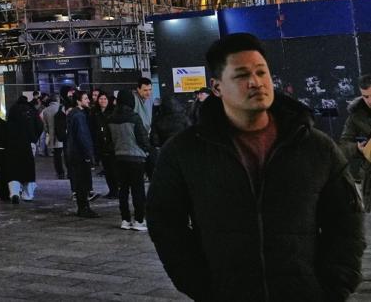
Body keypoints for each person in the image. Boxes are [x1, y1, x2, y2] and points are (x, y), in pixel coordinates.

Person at [148, 33, 365, 300]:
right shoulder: (185, 151)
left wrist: (335, 285)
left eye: (261, 72)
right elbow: (166, 222)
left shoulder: (314, 146)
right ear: (216, 87)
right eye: (241, 75)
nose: (256, 82)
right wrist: (200, 284)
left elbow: (346, 219)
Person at [107, 88, 149, 231]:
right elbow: (143, 139)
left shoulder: (111, 118)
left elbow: (109, 141)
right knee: (138, 190)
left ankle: (125, 220)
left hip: (119, 158)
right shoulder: (134, 117)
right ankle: (139, 220)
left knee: (123, 190)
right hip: (136, 159)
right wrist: (147, 150)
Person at [339, 74, 371, 208]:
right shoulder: (356, 116)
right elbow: (343, 146)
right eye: (366, 96)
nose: (370, 100)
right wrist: (357, 148)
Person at [65, 92, 98, 218]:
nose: (88, 100)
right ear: (78, 101)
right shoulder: (79, 116)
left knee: (79, 182)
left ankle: (82, 207)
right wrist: (89, 154)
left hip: (73, 153)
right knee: (83, 182)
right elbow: (83, 136)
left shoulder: (73, 114)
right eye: (85, 98)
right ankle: (84, 208)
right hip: (79, 154)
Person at [4, 95, 41, 203]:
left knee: (14, 169)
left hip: (13, 144)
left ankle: (15, 193)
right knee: (28, 170)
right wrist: (34, 138)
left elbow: (8, 126)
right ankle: (28, 194)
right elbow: (39, 126)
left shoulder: (13, 109)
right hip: (28, 143)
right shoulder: (31, 110)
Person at [91, 92, 117, 198]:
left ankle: (116, 190)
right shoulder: (95, 113)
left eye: (105, 98)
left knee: (113, 170)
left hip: (112, 146)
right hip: (101, 146)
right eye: (101, 99)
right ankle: (112, 190)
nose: (103, 101)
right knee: (107, 170)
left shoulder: (113, 112)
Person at [41, 95, 65, 178]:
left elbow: (44, 126)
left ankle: (60, 173)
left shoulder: (45, 111)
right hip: (64, 135)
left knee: (57, 156)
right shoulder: (63, 108)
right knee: (66, 154)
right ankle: (69, 172)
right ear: (57, 99)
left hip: (53, 137)